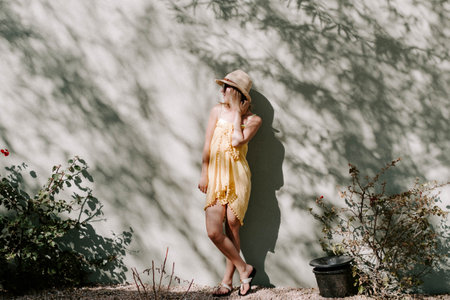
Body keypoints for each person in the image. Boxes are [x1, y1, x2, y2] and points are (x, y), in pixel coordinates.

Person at [198, 70, 262, 297]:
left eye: (225, 87)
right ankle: (245, 269)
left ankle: (227, 281)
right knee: (214, 232)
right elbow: (207, 144)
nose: (221, 91)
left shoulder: (253, 120)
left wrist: (236, 113)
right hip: (216, 177)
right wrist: (204, 172)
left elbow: (236, 142)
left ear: (234, 92)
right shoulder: (216, 111)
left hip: (238, 177)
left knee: (232, 225)